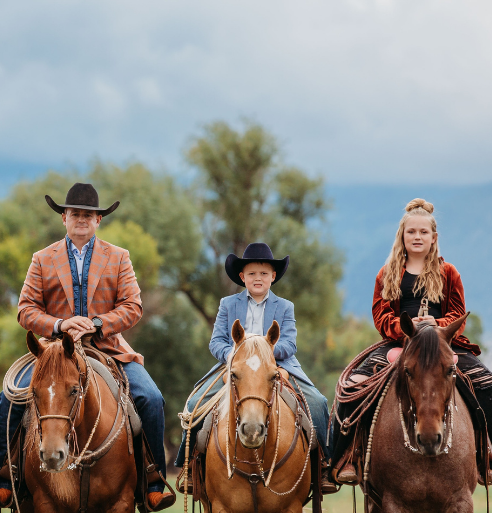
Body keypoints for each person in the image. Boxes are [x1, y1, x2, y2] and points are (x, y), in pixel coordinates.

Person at [0, 181, 169, 510]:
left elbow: (133, 306)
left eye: (88, 214)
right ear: (64, 218)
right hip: (54, 351)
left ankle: (153, 478)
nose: (82, 219)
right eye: (75, 214)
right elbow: (25, 309)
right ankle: (6, 473)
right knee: (9, 399)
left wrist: (96, 323)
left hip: (108, 348)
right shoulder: (42, 259)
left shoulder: (119, 257)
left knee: (151, 398)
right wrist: (59, 325)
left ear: (99, 220)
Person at [332, 198, 492, 482]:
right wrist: (405, 327)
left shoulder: (448, 272)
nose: (417, 237)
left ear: (434, 238)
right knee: (352, 386)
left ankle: (485, 456)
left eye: (423, 232)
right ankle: (345, 458)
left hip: (444, 345)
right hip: (400, 345)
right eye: (411, 232)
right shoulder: (387, 274)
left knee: (487, 384)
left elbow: (458, 314)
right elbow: (381, 318)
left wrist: (436, 324)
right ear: (402, 236)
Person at [175, 242, 331, 470]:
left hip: (276, 364)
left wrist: (264, 352)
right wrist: (236, 355)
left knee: (318, 403)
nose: (258, 278)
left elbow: (289, 343)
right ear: (242, 276)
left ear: (273, 276)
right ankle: (189, 463)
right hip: (235, 365)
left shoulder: (285, 307)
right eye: (252, 274)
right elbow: (216, 342)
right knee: (193, 404)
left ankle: (325, 463)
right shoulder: (228, 304)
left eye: (264, 273)